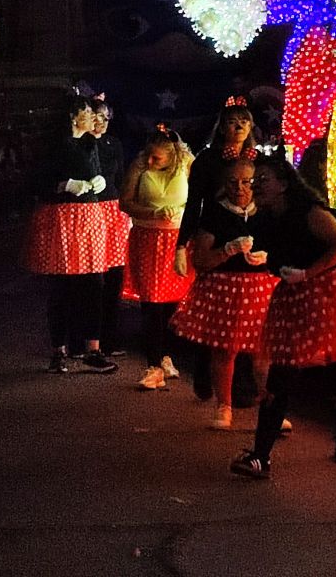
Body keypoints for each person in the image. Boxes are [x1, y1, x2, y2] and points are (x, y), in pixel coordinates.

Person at [230, 156, 336, 479]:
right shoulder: (264, 218)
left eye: (263, 179)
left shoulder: (310, 211)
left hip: (335, 286)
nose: (256, 186)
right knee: (282, 369)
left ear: (283, 184)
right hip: (297, 290)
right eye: (254, 181)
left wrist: (308, 273)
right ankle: (261, 456)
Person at [175, 155, 278, 429]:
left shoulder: (266, 211)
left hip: (261, 289)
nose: (240, 188)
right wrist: (227, 250)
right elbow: (201, 260)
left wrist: (268, 256)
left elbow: (284, 248)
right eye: (233, 182)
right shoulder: (215, 213)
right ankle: (224, 406)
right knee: (225, 351)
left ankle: (271, 408)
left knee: (263, 353)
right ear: (224, 183)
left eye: (246, 182)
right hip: (225, 289)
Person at [23, 95, 117, 374]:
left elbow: (97, 171)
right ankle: (58, 352)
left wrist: (99, 181)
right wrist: (63, 185)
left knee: (95, 283)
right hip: (62, 217)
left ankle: (93, 349)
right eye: (88, 112)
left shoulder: (90, 143)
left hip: (89, 216)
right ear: (73, 116)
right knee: (61, 287)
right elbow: (36, 181)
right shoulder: (53, 144)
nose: (93, 118)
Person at [178, 95, 263, 400]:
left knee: (247, 325)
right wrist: (182, 244)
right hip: (214, 235)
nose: (238, 127)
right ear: (222, 126)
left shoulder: (258, 159)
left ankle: (241, 387)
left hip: (248, 234)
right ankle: (204, 372)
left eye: (243, 121)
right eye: (231, 121)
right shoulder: (207, 160)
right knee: (213, 318)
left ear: (251, 126)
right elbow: (193, 204)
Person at [120, 125, 194, 391]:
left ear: (172, 155)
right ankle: (153, 366)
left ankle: (166, 356)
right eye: (149, 155)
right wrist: (151, 213)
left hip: (177, 241)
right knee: (151, 303)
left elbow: (199, 197)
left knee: (173, 303)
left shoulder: (187, 164)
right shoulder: (140, 166)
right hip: (148, 239)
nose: (150, 161)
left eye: (157, 158)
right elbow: (125, 202)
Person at [86, 96, 130, 357]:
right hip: (89, 211)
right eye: (96, 117)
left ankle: (110, 338)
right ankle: (86, 338)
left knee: (114, 277)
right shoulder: (81, 143)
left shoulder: (114, 144)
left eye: (106, 117)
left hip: (113, 212)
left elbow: (121, 179)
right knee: (92, 279)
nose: (101, 122)